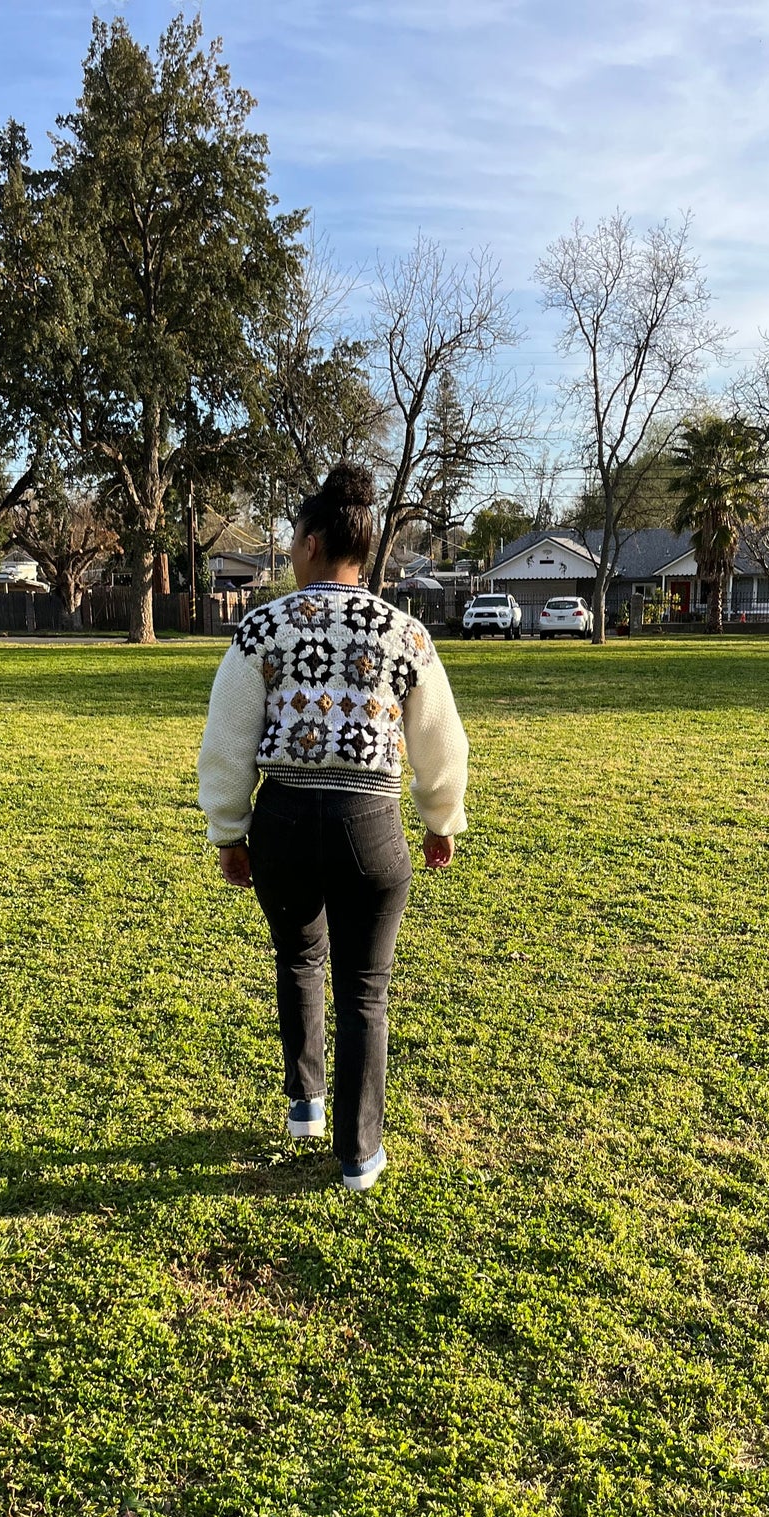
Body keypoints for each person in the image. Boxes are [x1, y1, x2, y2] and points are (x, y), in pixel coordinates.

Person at [197, 463, 469, 1191]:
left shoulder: (262, 626)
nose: (289, 551)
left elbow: (225, 740)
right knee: (365, 989)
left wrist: (230, 830)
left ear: (313, 543)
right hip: (370, 825)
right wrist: (441, 817)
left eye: (292, 541)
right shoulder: (404, 631)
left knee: (298, 960)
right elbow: (442, 737)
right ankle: (358, 1156)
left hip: (283, 820)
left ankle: (305, 1106)